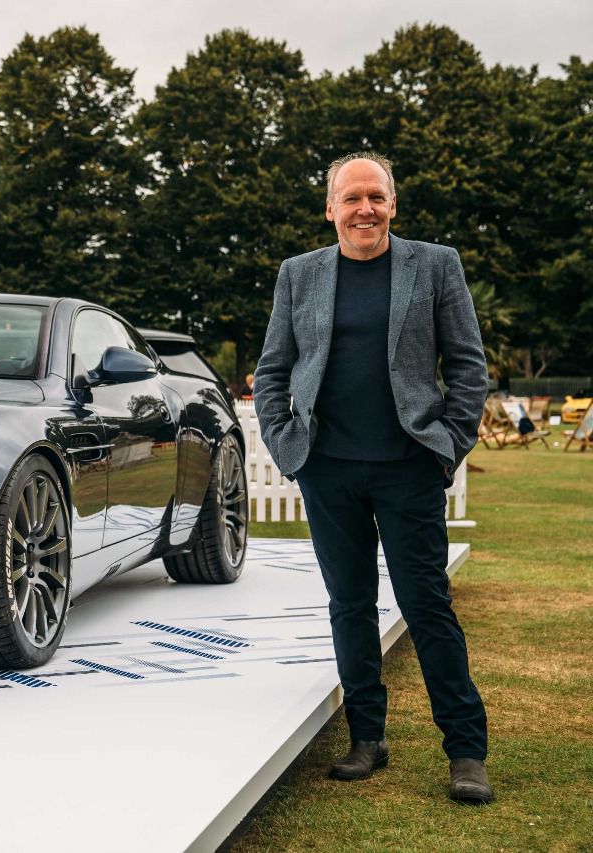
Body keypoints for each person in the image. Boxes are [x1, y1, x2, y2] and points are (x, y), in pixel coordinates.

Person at [253, 152, 492, 804]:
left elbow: (469, 366)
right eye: (352, 197)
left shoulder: (435, 265)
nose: (365, 209)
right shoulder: (298, 275)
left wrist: (448, 445)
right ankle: (367, 735)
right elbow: (272, 370)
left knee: (426, 605)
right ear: (330, 207)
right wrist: (285, 444)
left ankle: (466, 749)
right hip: (327, 469)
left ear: (392, 203)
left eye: (376, 197)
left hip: (409, 466)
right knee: (350, 604)